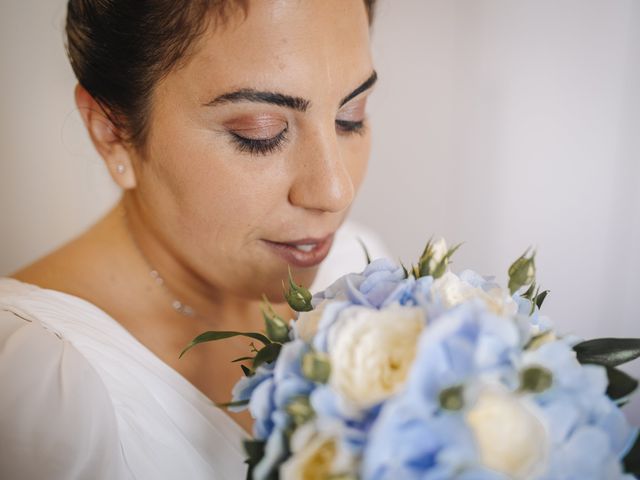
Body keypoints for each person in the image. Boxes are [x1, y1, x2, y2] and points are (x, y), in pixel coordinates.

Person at [0, 0, 387, 478]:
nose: (334, 192)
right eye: (259, 133)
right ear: (112, 133)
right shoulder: (43, 389)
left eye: (351, 115)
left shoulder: (360, 271)